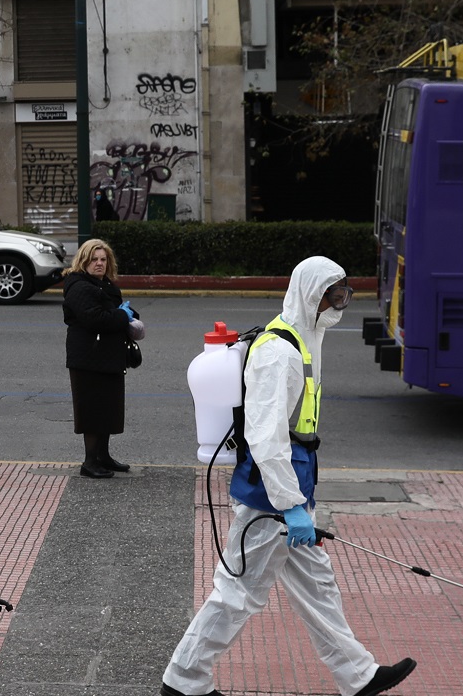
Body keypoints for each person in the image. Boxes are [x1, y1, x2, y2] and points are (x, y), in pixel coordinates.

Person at [160, 256, 417, 696]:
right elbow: (265, 437)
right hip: (271, 496)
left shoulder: (305, 336)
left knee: (317, 586)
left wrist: (298, 501)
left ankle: (358, 675)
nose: (339, 304)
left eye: (343, 294)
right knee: (237, 593)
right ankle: (183, 681)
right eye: (332, 296)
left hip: (291, 488)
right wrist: (291, 505)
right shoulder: (279, 353)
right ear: (309, 295)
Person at [62, 238, 140, 478]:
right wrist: (121, 315)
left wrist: (128, 314)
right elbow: (95, 319)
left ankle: (103, 457)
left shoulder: (103, 285)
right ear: (83, 261)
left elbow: (114, 312)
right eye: (94, 259)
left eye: (103, 259)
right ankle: (90, 462)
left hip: (108, 357)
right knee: (92, 411)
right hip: (88, 358)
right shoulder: (79, 287)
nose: (99, 264)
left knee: (108, 409)